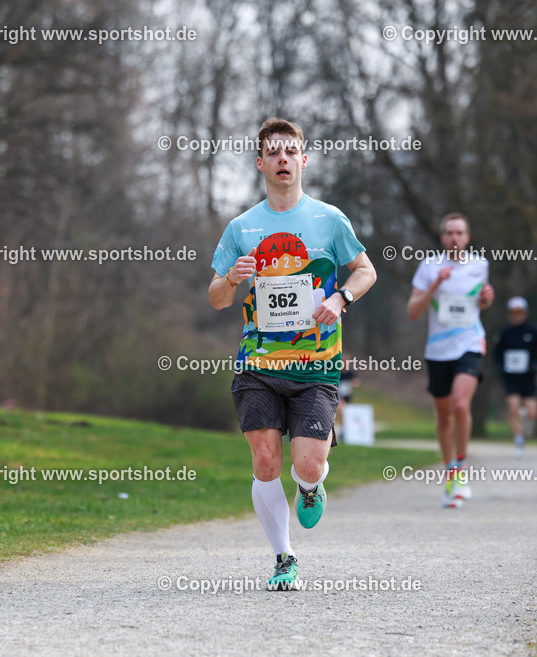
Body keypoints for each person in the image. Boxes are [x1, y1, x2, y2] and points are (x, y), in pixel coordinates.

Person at [209, 117, 377, 590]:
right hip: (258, 364)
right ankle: (284, 557)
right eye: (273, 152)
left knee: (307, 465)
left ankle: (311, 484)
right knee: (265, 460)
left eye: (290, 151)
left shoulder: (329, 219)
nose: (282, 159)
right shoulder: (242, 227)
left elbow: (366, 270)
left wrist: (341, 298)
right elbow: (217, 298)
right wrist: (232, 278)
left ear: (303, 160)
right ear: (260, 163)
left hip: (315, 364)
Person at [406, 213, 495, 508]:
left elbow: (479, 302)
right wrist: (435, 285)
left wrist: (486, 299)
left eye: (459, 233)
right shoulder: (429, 266)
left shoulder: (480, 265)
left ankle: (461, 467)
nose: (454, 237)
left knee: (460, 404)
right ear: (442, 237)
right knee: (444, 416)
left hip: (470, 343)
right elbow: (413, 312)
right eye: (449, 233)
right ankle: (450, 473)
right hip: (438, 350)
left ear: (467, 237)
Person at [492, 296, 537, 458]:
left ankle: (527, 420)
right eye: (514, 312)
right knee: (513, 407)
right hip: (511, 377)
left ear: (525, 313)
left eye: (519, 312)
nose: (517, 315)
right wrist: (500, 368)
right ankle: (518, 441)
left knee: (532, 413)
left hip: (529, 377)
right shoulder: (504, 333)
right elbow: (496, 354)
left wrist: (536, 363)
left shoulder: (534, 331)